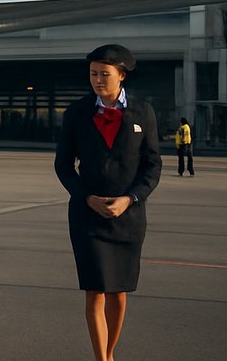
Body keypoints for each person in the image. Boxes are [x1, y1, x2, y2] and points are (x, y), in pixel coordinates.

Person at [55, 44, 161, 361]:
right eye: (93, 74)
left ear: (121, 76)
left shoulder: (143, 112)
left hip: (128, 217)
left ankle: (110, 353)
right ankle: (101, 358)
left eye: (104, 74)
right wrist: (86, 197)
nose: (98, 80)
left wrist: (130, 199)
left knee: (119, 293)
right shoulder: (76, 113)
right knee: (95, 290)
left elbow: (152, 165)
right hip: (88, 215)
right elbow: (63, 165)